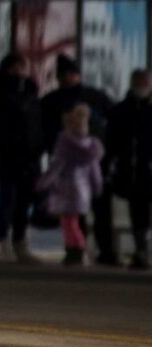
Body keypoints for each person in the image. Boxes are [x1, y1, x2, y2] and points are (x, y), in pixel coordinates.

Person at [42, 54, 119, 264]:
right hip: (86, 167)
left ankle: (80, 250)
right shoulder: (93, 98)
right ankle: (91, 250)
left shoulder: (54, 102)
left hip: (75, 170)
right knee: (88, 211)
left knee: (79, 212)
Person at [0, 52, 43, 263]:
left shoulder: (29, 92)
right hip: (10, 156)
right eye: (17, 67)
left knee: (22, 202)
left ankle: (17, 241)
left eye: (22, 67)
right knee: (8, 200)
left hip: (25, 157)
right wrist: (15, 138)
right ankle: (3, 242)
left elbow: (36, 125)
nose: (20, 72)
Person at [41, 102, 106, 267]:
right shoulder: (91, 147)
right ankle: (77, 250)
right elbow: (95, 171)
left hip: (66, 188)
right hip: (82, 191)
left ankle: (75, 249)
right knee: (74, 221)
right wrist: (97, 187)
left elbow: (57, 166)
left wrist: (44, 182)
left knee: (68, 222)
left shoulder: (64, 144)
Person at [107, 69, 152, 271]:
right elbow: (113, 141)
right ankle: (141, 250)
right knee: (138, 210)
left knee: (140, 210)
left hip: (142, 168)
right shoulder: (122, 110)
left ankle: (141, 250)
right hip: (134, 171)